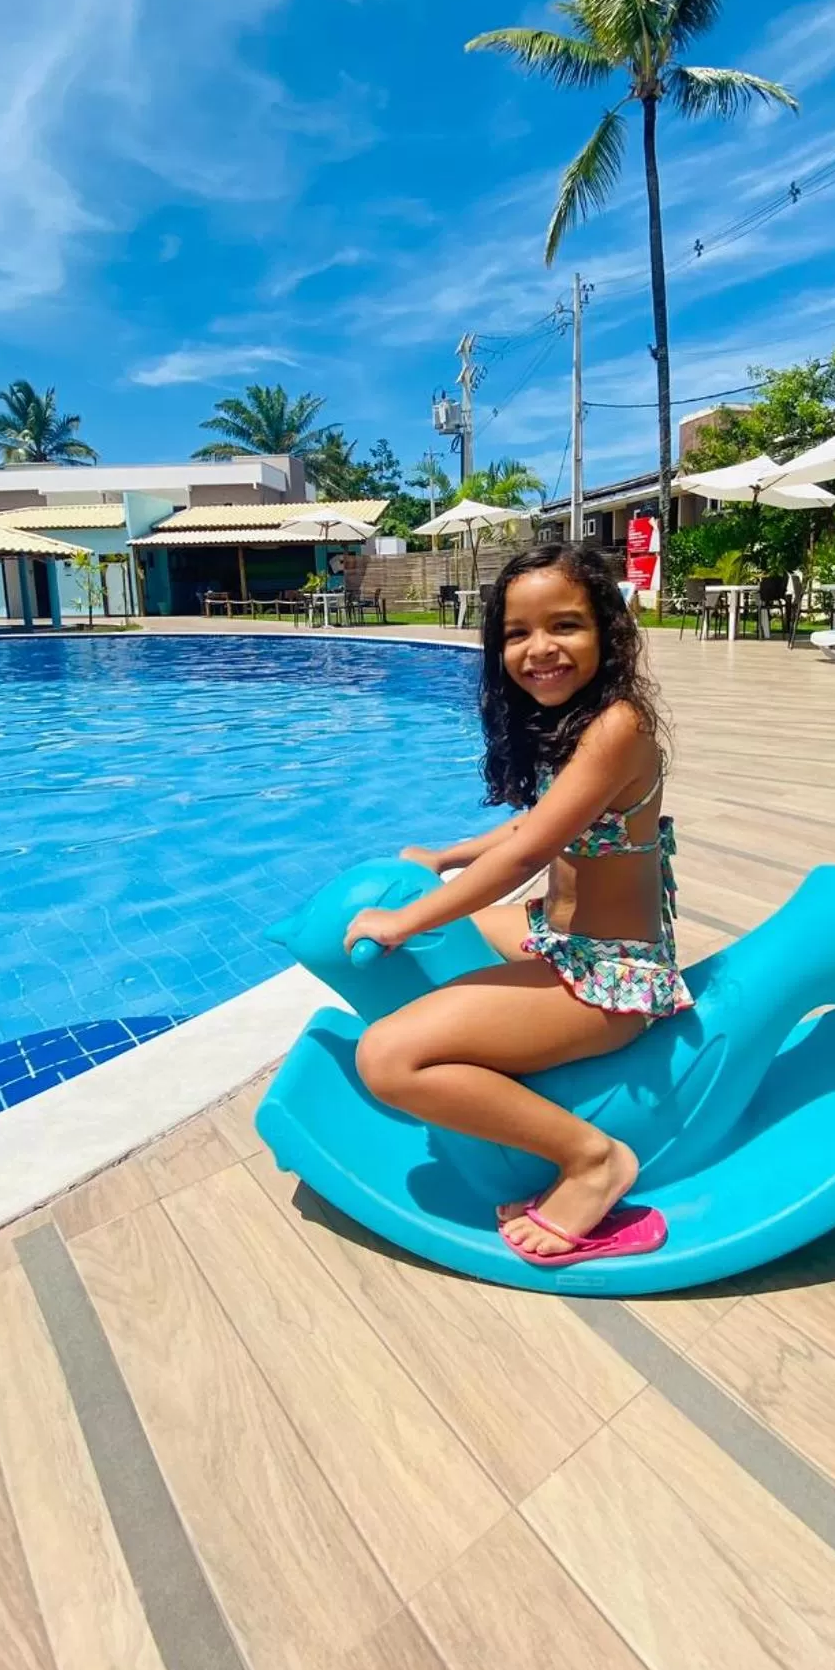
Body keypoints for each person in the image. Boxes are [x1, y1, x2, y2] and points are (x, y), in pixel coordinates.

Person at [344, 543, 691, 1267]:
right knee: (447, 940)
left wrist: (407, 917)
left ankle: (594, 1160)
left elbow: (529, 855)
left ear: (609, 632)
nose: (540, 650)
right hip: (558, 935)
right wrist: (446, 858)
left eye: (565, 626)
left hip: (608, 975)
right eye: (516, 633)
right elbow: (536, 823)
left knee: (387, 1059)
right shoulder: (578, 722)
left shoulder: (617, 726)